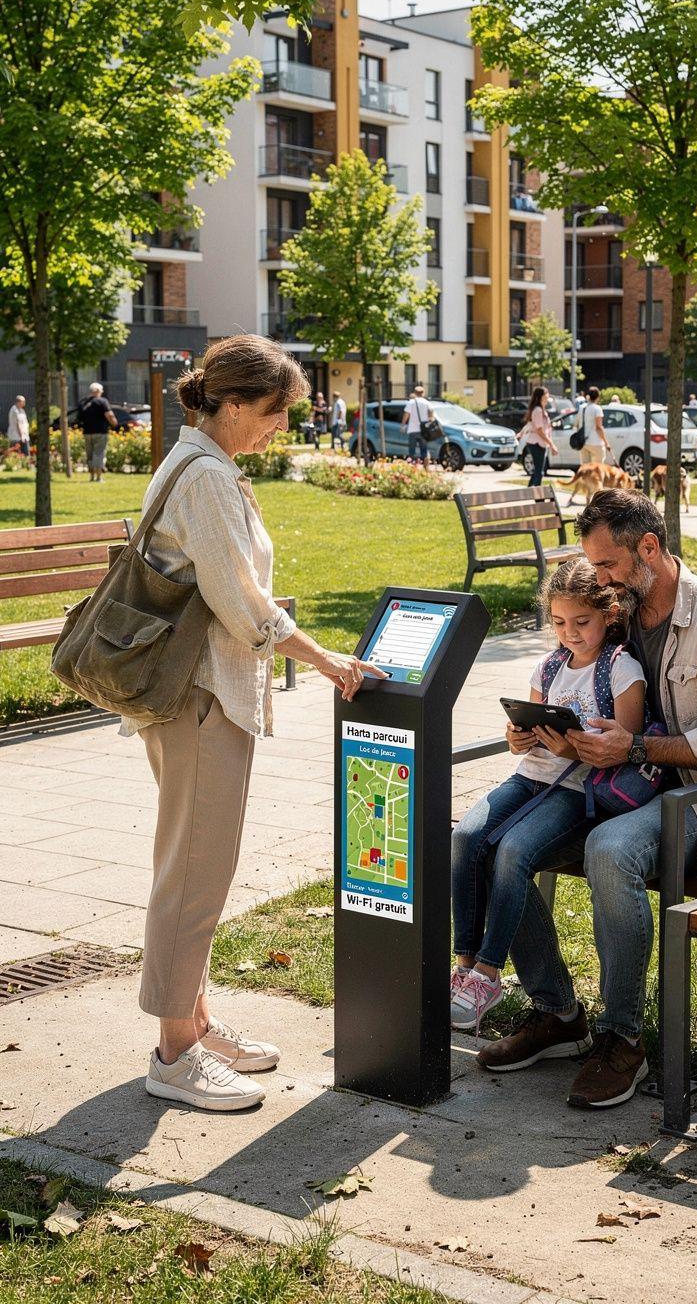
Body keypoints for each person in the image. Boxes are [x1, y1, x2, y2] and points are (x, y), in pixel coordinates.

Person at [120, 334, 386, 1113]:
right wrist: (326, 659)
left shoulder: (198, 462)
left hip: (193, 695)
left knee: (195, 864)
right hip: (201, 696)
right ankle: (175, 1053)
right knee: (194, 873)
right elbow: (243, 605)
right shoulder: (204, 476)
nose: (281, 427)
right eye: (273, 412)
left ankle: (195, 1023)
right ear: (232, 404)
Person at [475, 489, 697, 1108]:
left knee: (611, 851)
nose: (599, 578)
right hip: (613, 786)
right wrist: (544, 727)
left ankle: (623, 1038)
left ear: (649, 548)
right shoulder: (621, 614)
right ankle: (558, 1014)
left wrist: (634, 747)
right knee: (487, 842)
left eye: (607, 564)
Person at [450, 558, 645, 1034]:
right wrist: (518, 737)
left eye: (581, 621)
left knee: (511, 850)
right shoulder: (549, 666)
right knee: (466, 837)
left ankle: (489, 974)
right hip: (531, 778)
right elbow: (529, 728)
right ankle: (465, 964)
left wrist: (572, 748)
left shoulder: (622, 669)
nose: (570, 633)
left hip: (579, 791)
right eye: (559, 623)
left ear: (609, 615)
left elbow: (626, 749)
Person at [518, 385, 558, 486]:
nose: (548, 396)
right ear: (541, 396)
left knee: (538, 471)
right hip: (537, 443)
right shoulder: (538, 410)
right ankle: (537, 493)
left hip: (540, 443)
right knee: (539, 472)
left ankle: (529, 492)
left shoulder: (540, 410)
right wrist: (551, 444)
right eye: (546, 394)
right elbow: (539, 430)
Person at [78, 382, 118, 481]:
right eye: (101, 391)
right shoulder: (102, 401)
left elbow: (79, 418)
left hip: (87, 432)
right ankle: (99, 477)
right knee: (99, 454)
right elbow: (109, 415)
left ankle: (91, 476)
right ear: (98, 391)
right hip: (100, 432)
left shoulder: (83, 402)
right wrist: (115, 424)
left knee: (90, 455)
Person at [402, 384, 435, 471]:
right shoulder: (427, 403)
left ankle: (411, 469)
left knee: (411, 451)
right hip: (423, 430)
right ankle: (426, 468)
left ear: (415, 393)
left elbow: (406, 414)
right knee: (424, 450)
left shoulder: (411, 402)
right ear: (423, 393)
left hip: (412, 430)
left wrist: (403, 425)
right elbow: (431, 416)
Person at [7, 395, 30, 463]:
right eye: (23, 402)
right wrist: (22, 435)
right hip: (17, 437)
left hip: (24, 436)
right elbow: (18, 424)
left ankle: (26, 465)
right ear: (18, 402)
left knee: (25, 454)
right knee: (16, 454)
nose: (24, 403)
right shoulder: (14, 410)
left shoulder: (22, 410)